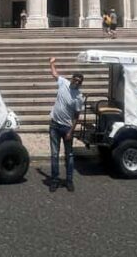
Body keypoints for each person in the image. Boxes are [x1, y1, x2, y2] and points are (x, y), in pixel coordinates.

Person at [48, 57, 84, 192]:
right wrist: (51, 63)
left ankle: (69, 180)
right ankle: (55, 180)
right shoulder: (63, 83)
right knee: (54, 154)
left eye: (79, 82)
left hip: (67, 127)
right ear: (72, 78)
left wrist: (71, 131)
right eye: (75, 79)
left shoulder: (79, 97)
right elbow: (54, 74)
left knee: (69, 155)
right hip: (54, 125)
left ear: (80, 84)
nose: (77, 82)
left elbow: (77, 116)